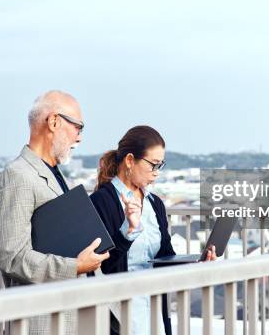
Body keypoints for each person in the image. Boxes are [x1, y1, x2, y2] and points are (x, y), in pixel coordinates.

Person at [0, 90, 109, 335]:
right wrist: (74, 266)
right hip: (44, 320)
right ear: (54, 122)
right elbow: (12, 257)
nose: (80, 137)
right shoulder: (18, 176)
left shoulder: (51, 172)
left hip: (71, 314)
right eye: (78, 127)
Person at [90, 125, 216, 335]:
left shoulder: (154, 203)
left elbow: (165, 258)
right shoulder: (100, 202)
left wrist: (196, 264)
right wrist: (128, 231)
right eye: (153, 165)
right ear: (130, 160)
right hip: (119, 314)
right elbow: (99, 266)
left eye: (160, 166)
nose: (156, 174)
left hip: (154, 309)